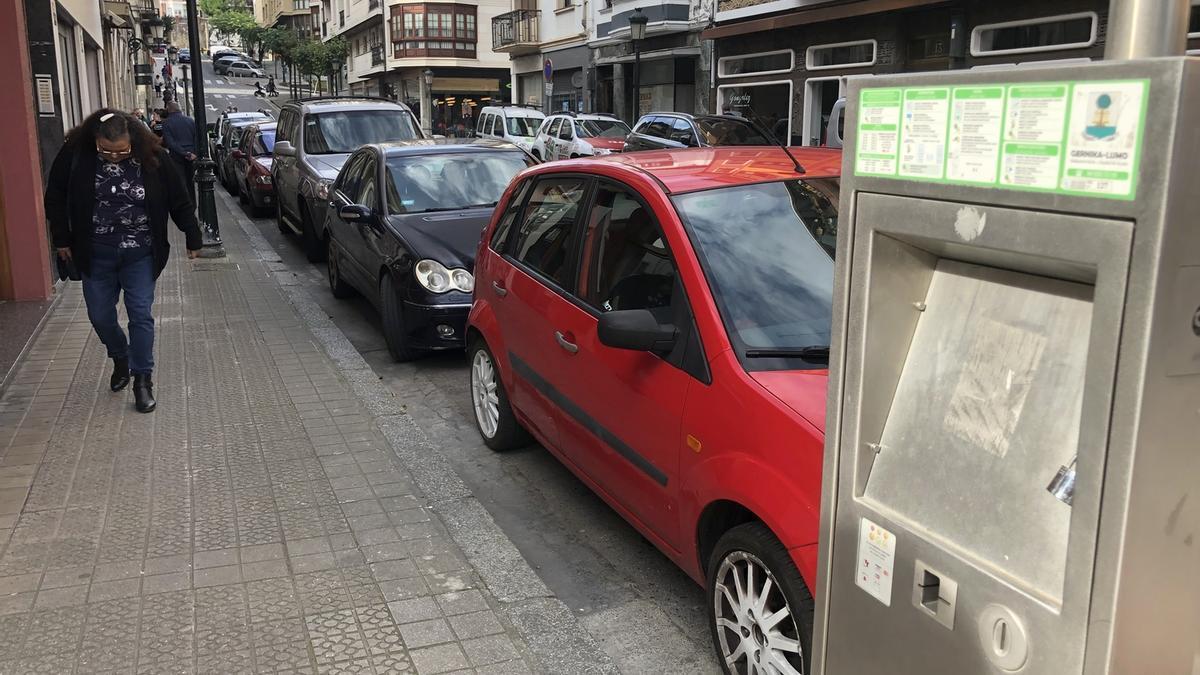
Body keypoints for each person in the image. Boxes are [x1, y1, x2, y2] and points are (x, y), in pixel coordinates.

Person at [43, 109, 202, 413]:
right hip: (95, 253)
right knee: (100, 316)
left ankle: (143, 381)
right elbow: (56, 195)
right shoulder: (76, 153)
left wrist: (192, 234)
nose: (114, 157)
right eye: (106, 151)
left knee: (140, 313)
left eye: (121, 151)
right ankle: (120, 356)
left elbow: (178, 197)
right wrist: (61, 238)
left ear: (133, 141)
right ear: (95, 141)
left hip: (140, 252)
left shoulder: (152, 156)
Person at [160, 101, 198, 204]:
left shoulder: (166, 123)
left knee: (180, 182)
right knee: (190, 182)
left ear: (168, 110)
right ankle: (192, 203)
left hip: (177, 157)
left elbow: (170, 142)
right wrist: (193, 152)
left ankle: (185, 204)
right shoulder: (190, 121)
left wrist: (184, 153)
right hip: (192, 156)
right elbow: (196, 138)